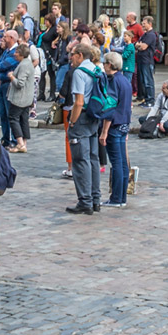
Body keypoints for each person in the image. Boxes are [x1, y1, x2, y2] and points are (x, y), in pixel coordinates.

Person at [65, 38, 105, 214]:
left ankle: (85, 201)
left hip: (81, 117)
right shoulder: (97, 69)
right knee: (93, 159)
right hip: (94, 116)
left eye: (72, 55)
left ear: (80, 55)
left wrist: (72, 122)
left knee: (81, 161)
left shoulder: (79, 72)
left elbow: (78, 102)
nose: (70, 58)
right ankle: (95, 199)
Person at [99, 50, 133, 205]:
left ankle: (116, 197)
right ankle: (122, 197)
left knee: (117, 163)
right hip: (124, 123)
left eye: (105, 63)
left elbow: (110, 107)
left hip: (114, 125)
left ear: (110, 65)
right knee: (123, 163)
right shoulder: (125, 80)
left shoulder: (113, 81)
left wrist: (104, 132)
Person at [6, 41, 38, 150]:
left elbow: (20, 83)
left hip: (20, 98)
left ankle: (20, 143)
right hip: (26, 98)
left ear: (21, 54)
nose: (14, 54)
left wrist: (11, 76)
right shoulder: (27, 63)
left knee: (13, 118)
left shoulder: (24, 65)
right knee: (24, 120)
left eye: (16, 52)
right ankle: (24, 144)